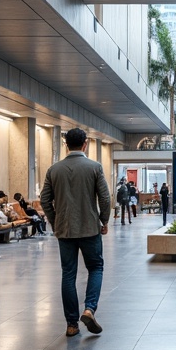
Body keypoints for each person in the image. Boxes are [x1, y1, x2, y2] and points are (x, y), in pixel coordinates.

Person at [40, 127, 110, 338]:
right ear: (85, 144)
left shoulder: (54, 170)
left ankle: (71, 324)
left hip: (65, 230)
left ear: (66, 145)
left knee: (68, 274)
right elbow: (105, 198)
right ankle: (89, 309)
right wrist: (104, 220)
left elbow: (45, 200)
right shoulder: (95, 167)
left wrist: (55, 221)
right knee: (95, 267)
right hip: (90, 228)